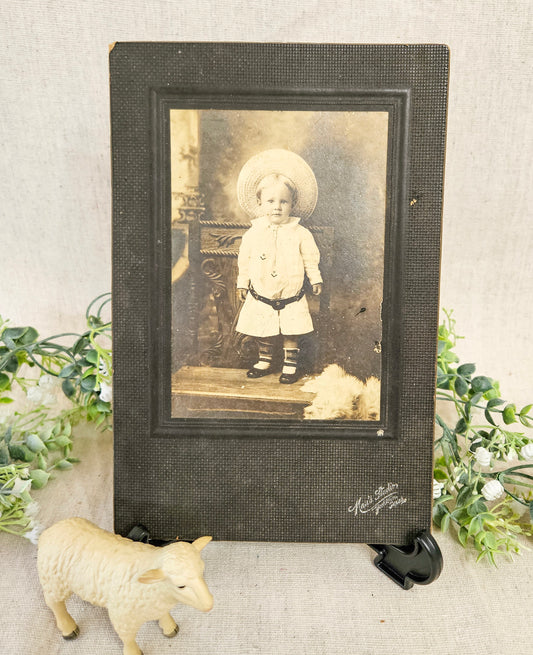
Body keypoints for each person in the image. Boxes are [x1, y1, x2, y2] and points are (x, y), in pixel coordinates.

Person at [235, 149, 323, 384]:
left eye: (283, 201)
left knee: (290, 330)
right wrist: (242, 283)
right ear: (259, 203)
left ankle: (290, 365)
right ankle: (264, 360)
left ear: (292, 204)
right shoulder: (254, 233)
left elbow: (310, 257)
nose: (277, 207)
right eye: (271, 201)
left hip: (290, 295)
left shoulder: (300, 233)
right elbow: (244, 259)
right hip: (261, 292)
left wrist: (315, 278)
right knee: (265, 327)